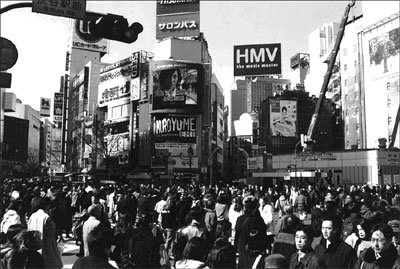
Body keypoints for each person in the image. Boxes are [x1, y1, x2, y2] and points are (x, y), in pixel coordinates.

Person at [27, 197, 63, 269]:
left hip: (34, 243)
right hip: (47, 243)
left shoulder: (32, 216)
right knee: (49, 263)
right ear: (47, 206)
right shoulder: (46, 217)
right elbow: (51, 231)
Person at [234, 195, 268, 269]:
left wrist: (236, 248)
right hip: (256, 253)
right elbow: (263, 236)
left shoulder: (240, 219)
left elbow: (237, 236)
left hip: (242, 251)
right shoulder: (258, 220)